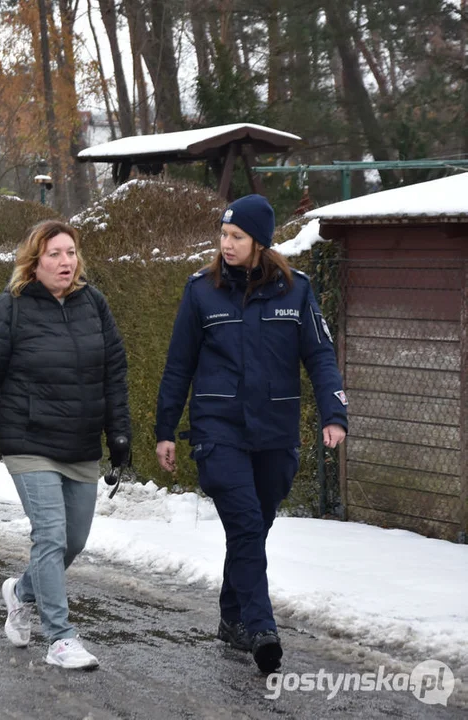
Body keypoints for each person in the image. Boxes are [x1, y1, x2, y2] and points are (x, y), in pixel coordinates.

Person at [154, 194, 347, 674]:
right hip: (218, 431)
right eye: (222, 235)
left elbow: (321, 357)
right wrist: (165, 431)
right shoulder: (201, 291)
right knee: (243, 523)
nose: (226, 244)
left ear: (260, 242)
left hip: (276, 433)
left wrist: (333, 414)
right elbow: (179, 366)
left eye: (236, 236)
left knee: (253, 528)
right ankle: (261, 628)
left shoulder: (296, 291)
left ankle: (231, 616)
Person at [0, 219, 131, 671]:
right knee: (49, 535)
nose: (66, 262)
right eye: (54, 254)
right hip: (29, 443)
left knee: (74, 540)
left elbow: (114, 375)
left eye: (70, 252)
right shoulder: (6, 310)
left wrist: (120, 434)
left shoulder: (94, 304)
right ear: (33, 262)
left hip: (82, 443)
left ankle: (21, 591)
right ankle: (61, 638)